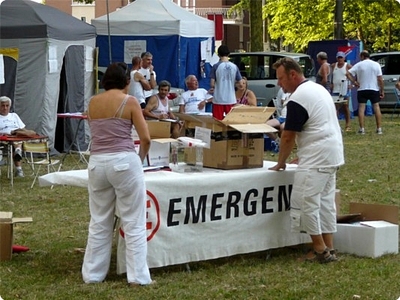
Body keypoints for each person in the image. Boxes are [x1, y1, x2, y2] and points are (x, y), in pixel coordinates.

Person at [82, 62, 153, 286]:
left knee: (99, 220)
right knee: (133, 220)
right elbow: (146, 138)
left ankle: (92, 275)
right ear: (127, 81)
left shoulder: (92, 102)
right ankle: (138, 277)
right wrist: (139, 160)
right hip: (124, 160)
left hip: (97, 162)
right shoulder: (130, 101)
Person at [269, 57, 344, 263]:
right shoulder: (318, 89)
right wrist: (303, 154)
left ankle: (319, 250)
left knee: (305, 203)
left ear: (293, 75)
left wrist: (281, 162)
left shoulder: (298, 98)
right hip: (331, 154)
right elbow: (319, 125)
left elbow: (288, 135)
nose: (279, 84)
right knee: (326, 203)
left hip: (317, 157)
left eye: (281, 78)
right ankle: (329, 246)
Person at [346, 50, 384, 134]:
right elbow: (380, 79)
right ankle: (379, 129)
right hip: (374, 89)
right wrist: (382, 90)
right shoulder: (376, 64)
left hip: (362, 89)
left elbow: (348, 73)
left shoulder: (359, 65)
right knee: (376, 107)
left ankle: (362, 129)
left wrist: (354, 82)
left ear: (362, 56)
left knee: (361, 108)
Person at [0, 96, 36, 177]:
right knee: (15, 142)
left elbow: (23, 129)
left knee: (17, 138)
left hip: (17, 136)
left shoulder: (14, 116)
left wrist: (18, 132)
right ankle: (19, 167)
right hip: (4, 140)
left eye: (7, 105)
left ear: (10, 106)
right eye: (3, 105)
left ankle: (18, 151)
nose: (5, 108)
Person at [209, 45, 242, 120]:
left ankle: (218, 132)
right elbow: (240, 82)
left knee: (217, 122)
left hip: (218, 99)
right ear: (229, 54)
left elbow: (212, 84)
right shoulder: (234, 66)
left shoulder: (216, 66)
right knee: (231, 121)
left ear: (218, 54)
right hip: (231, 98)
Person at [331, 51, 353, 132]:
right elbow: (330, 75)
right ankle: (336, 125)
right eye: (339, 58)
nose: (340, 59)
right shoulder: (334, 65)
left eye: (341, 58)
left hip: (344, 89)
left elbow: (355, 73)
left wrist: (352, 84)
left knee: (345, 107)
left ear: (344, 58)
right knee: (335, 108)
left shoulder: (347, 66)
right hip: (335, 89)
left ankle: (348, 125)